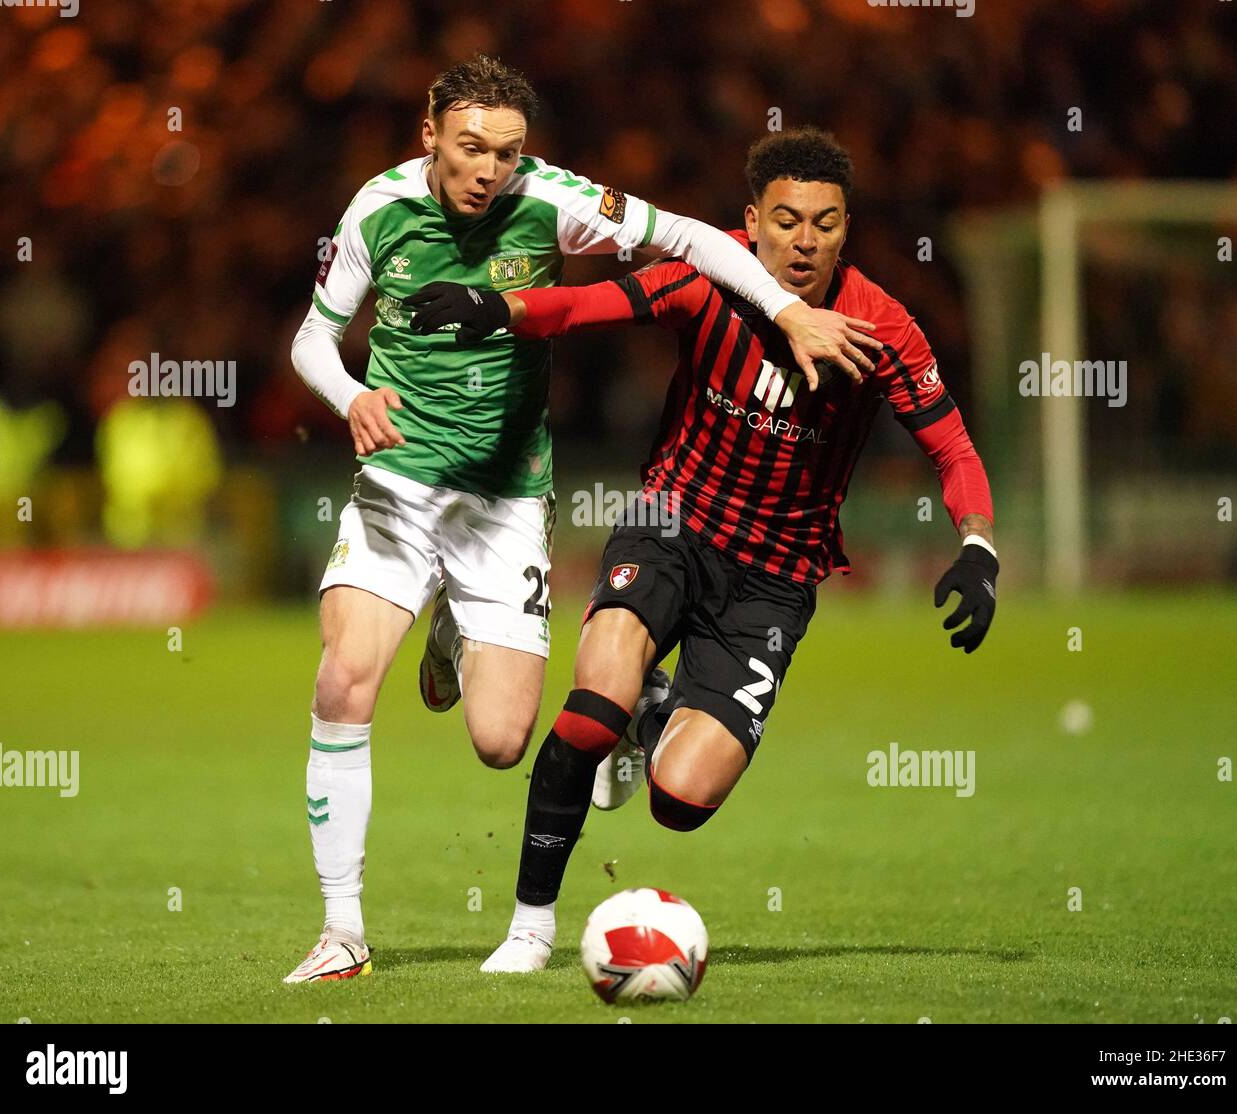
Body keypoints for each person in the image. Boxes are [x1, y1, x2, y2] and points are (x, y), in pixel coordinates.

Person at [284, 56, 876, 984]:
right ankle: (342, 932)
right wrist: (351, 395)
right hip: (399, 484)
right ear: (429, 134)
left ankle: (449, 626)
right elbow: (312, 337)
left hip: (507, 499)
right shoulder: (376, 210)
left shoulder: (553, 200)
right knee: (346, 680)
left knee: (502, 742)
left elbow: (687, 238)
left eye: (506, 153)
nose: (488, 170)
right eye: (471, 147)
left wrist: (787, 311)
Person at [411, 126, 996, 973]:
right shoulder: (708, 273)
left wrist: (979, 549)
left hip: (775, 579)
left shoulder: (881, 327)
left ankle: (658, 711)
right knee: (589, 710)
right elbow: (585, 306)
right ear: (750, 221)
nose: (805, 242)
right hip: (670, 523)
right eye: (786, 220)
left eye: (825, 223)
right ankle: (530, 929)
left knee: (679, 801)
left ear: (846, 227)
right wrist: (496, 307)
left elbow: (954, 449)